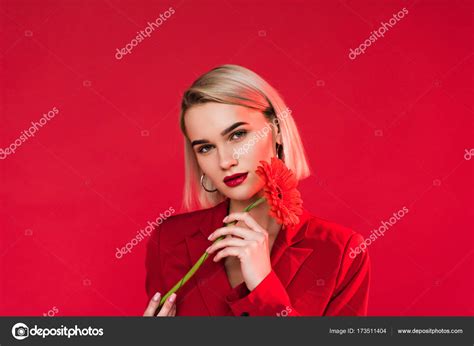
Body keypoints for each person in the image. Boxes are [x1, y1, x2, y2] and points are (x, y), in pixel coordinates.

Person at [143, 64, 370, 316]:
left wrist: (263, 285)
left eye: (237, 135)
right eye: (206, 148)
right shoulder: (170, 240)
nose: (225, 161)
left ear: (277, 130)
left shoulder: (340, 251)